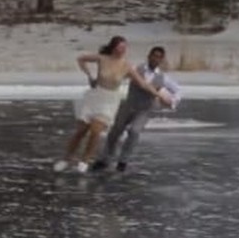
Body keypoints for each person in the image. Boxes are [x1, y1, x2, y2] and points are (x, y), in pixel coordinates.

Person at [53, 36, 170, 173]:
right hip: (95, 97)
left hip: (110, 101)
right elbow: (81, 59)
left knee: (96, 131)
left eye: (125, 48)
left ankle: (85, 160)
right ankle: (66, 159)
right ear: (114, 47)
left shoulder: (127, 65)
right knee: (81, 131)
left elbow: (143, 84)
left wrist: (159, 95)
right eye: (120, 47)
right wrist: (90, 76)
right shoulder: (102, 58)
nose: (123, 50)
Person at [91, 46, 180, 172]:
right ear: (149, 56)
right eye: (154, 56)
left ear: (162, 60)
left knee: (134, 131)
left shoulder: (162, 77)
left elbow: (177, 90)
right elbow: (117, 75)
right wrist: (100, 81)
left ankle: (123, 161)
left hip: (144, 110)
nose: (156, 59)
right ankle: (105, 159)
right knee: (115, 132)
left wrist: (172, 101)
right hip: (129, 106)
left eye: (159, 57)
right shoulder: (136, 68)